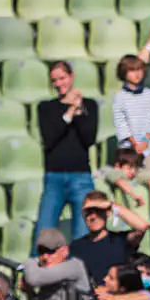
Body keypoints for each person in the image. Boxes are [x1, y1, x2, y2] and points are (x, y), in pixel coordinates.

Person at [37, 61, 100, 238]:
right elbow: (50, 138)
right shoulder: (46, 108)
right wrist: (70, 111)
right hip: (54, 177)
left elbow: (89, 138)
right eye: (54, 80)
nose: (59, 84)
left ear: (71, 77)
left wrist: (80, 111)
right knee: (44, 230)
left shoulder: (90, 105)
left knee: (83, 233)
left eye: (62, 78)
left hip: (80, 176)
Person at [112, 53, 150, 171]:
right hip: (128, 149)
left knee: (149, 173)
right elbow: (121, 123)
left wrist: (145, 141)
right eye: (132, 70)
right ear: (123, 72)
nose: (137, 73)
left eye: (139, 69)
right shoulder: (119, 97)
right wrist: (134, 143)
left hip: (149, 147)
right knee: (127, 174)